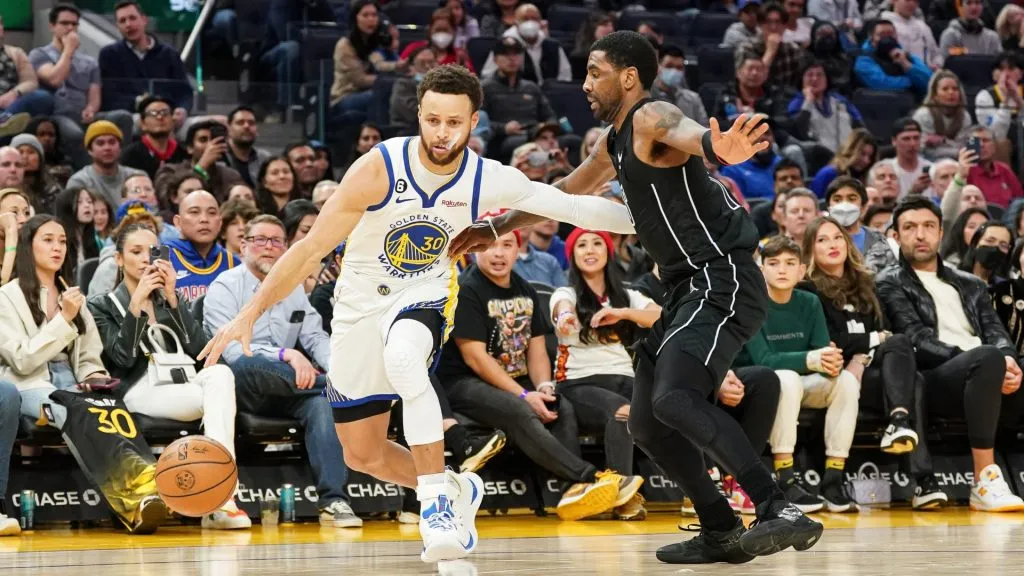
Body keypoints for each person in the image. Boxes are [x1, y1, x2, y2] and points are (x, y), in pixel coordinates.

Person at [199, 64, 637, 563]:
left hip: (425, 291)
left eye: (454, 122)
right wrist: (252, 310)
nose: (442, 133)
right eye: (433, 120)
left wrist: (667, 216)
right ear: (419, 115)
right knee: (362, 454)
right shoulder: (379, 167)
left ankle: (434, 507)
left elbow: (572, 207)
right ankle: (456, 489)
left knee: (407, 359)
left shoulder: (485, 177)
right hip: (360, 303)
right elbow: (311, 249)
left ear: (474, 122)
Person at [450, 32, 823, 563]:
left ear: (628, 77)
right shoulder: (614, 140)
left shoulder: (651, 117)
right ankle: (719, 528)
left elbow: (690, 133)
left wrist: (720, 147)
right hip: (682, 287)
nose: (584, 83)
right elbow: (568, 192)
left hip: (721, 276)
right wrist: (499, 226)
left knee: (674, 398)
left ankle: (775, 504)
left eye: (595, 71)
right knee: (646, 421)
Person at [437, 230, 645, 521]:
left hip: (513, 379)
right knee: (521, 410)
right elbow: (476, 358)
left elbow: (536, 349)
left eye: (507, 245)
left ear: (517, 250)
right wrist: (524, 394)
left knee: (560, 406)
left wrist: (544, 387)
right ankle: (589, 479)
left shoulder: (524, 288)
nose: (499, 253)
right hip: (464, 383)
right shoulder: (467, 288)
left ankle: (572, 494)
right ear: (474, 251)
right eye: (490, 246)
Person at [0, 214, 167, 533]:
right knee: (79, 411)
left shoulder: (71, 293)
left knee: (111, 409)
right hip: (27, 387)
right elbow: (21, 360)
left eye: (62, 241)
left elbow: (90, 356)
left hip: (72, 384)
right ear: (27, 246)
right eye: (47, 240)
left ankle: (144, 492)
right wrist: (64, 319)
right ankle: (134, 498)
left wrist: (94, 378)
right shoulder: (6, 297)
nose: (57, 247)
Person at [203, 215, 363, 530]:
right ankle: (342, 388)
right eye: (260, 240)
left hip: (291, 389)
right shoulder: (224, 287)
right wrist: (286, 354)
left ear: (287, 248)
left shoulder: (292, 288)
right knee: (248, 364)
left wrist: (336, 368)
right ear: (243, 245)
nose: (269, 247)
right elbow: (232, 351)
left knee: (323, 404)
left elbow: (316, 337)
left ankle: (333, 501)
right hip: (245, 387)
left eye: (277, 241)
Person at [86, 223, 250, 530]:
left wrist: (173, 299)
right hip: (137, 387)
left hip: (181, 381)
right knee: (218, 401)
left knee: (220, 374)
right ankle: (222, 500)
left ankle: (220, 495)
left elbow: (203, 352)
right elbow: (121, 358)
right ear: (119, 260)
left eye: (153, 251)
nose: (146, 258)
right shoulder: (101, 305)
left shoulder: (170, 299)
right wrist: (135, 307)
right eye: (136, 252)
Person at [877, 197, 1024, 512]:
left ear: (941, 232)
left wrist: (1008, 361)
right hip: (936, 376)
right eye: (910, 227)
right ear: (896, 236)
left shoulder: (969, 282)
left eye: (928, 226)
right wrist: (984, 360)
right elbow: (916, 337)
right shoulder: (889, 282)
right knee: (986, 358)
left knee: (1004, 360)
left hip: (983, 369)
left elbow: (995, 330)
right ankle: (983, 479)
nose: (920, 235)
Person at [798, 217, 931, 504]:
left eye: (837, 237)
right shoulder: (808, 291)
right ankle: (922, 480)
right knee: (911, 379)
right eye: (822, 240)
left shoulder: (867, 284)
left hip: (867, 370)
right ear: (810, 249)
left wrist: (861, 355)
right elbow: (829, 341)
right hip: (834, 374)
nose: (832, 244)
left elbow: (887, 334)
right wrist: (872, 341)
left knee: (901, 348)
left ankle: (899, 423)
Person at [737, 236, 860, 513]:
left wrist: (832, 361)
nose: (782, 269)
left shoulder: (810, 302)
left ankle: (833, 478)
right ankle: (785, 477)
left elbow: (820, 352)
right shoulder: (751, 304)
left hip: (802, 382)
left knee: (847, 381)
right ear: (761, 270)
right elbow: (765, 360)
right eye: (774, 263)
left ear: (802, 271)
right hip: (760, 385)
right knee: (787, 378)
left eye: (790, 263)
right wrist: (813, 359)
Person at [549, 228, 661, 519]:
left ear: (608, 251)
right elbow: (561, 309)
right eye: (581, 245)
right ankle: (622, 494)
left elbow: (660, 316)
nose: (590, 250)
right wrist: (565, 318)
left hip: (625, 377)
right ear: (572, 256)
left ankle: (696, 491)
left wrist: (623, 313)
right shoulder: (567, 293)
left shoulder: (627, 294)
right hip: (577, 383)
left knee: (672, 404)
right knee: (622, 412)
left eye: (597, 243)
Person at [30, 3, 134, 167]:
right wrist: (68, 50)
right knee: (75, 134)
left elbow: (94, 94)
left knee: (123, 117)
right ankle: (92, 174)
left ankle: (119, 168)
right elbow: (54, 78)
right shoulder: (39, 54)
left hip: (84, 114)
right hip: (58, 115)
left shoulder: (89, 61)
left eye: (74, 24)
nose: (70, 28)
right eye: (64, 24)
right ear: (52, 26)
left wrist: (91, 109)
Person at [99, 1, 191, 121]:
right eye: (122, 21)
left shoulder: (169, 54)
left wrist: (182, 109)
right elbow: (109, 97)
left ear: (144, 20)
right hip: (131, 116)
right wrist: (140, 103)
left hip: (167, 115)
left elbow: (185, 92)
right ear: (118, 26)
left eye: (132, 18)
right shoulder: (109, 55)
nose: (128, 24)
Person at [825, 177, 897, 272]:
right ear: (829, 207)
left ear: (863, 207)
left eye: (851, 199)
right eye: (837, 200)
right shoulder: (818, 239)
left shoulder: (878, 239)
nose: (844, 205)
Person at [914, 71, 973, 161]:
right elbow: (923, 150)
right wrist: (955, 149)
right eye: (945, 89)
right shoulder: (923, 115)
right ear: (935, 95)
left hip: (960, 163)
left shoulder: (965, 116)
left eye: (955, 89)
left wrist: (943, 141)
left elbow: (964, 148)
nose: (951, 92)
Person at [810, 129, 876, 196]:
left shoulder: (865, 179)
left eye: (870, 157)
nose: (866, 160)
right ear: (850, 151)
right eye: (862, 154)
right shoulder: (828, 174)